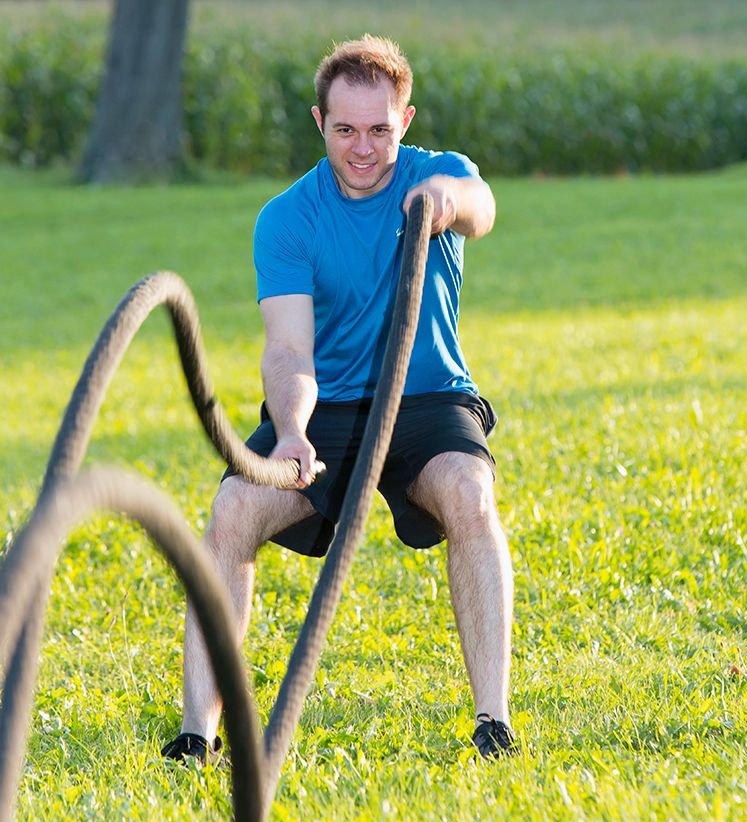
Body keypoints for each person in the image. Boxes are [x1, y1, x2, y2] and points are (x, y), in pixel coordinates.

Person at [162, 34, 517, 766]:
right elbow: (290, 349)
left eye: (380, 129)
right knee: (233, 509)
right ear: (318, 121)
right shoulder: (287, 218)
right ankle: (198, 732)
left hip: (426, 396)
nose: (364, 148)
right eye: (347, 129)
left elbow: (481, 207)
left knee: (471, 493)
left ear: (406, 120)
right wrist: (290, 430)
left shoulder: (437, 177)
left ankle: (494, 722)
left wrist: (449, 200)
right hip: (324, 407)